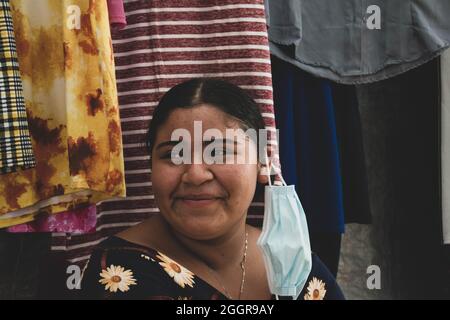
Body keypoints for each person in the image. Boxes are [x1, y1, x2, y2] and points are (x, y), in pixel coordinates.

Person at [79, 78, 345, 300]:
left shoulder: (293, 261)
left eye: (219, 152)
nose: (195, 174)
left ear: (263, 163)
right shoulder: (121, 270)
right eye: (174, 154)